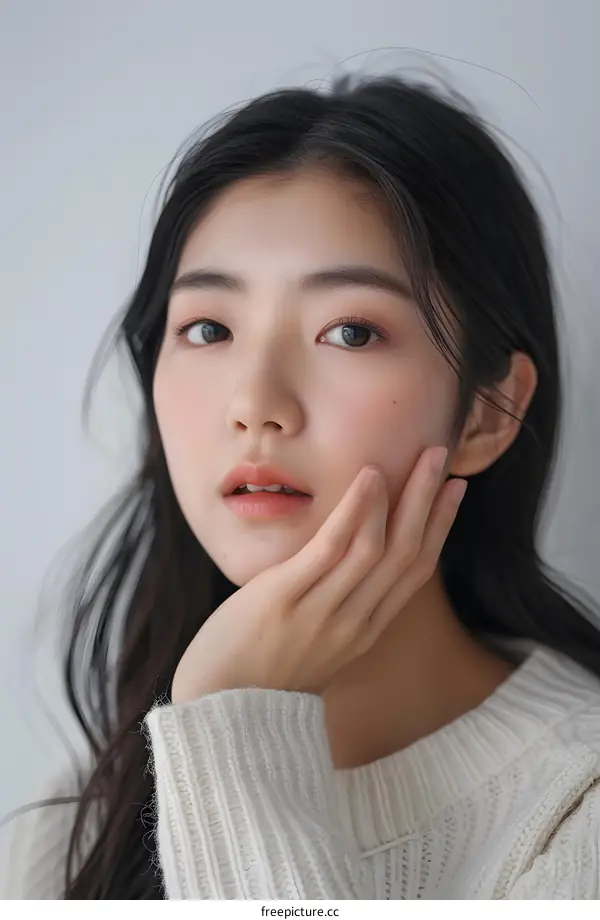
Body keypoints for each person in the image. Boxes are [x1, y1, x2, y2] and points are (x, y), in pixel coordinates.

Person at [3, 71, 600, 900]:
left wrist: (234, 723)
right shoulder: (79, 820)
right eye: (208, 328)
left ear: (489, 412)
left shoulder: (577, 807)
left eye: (349, 331)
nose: (256, 405)